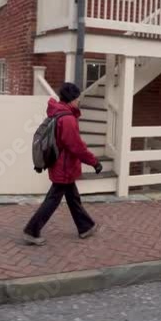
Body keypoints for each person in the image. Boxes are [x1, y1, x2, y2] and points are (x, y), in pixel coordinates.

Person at [23, 82, 102, 245]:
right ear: (71, 99)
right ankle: (31, 230)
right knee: (53, 200)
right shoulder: (67, 119)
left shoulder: (58, 113)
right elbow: (76, 147)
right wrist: (94, 162)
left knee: (73, 198)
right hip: (64, 167)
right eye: (77, 98)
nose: (79, 101)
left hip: (61, 165)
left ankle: (85, 227)